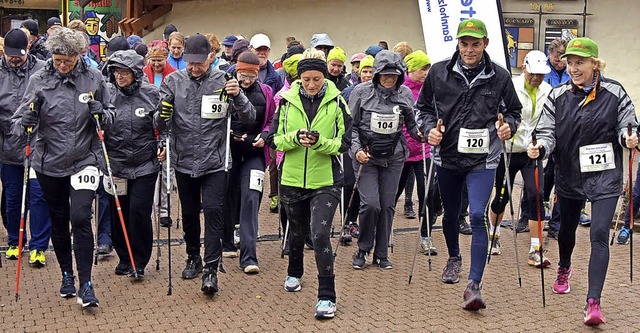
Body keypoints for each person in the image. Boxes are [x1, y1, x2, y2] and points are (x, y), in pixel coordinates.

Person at [528, 37, 637, 326]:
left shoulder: (615, 91)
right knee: (566, 230)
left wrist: (629, 137)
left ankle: (593, 302)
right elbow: (547, 131)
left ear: (595, 64)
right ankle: (564, 266)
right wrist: (542, 148)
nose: (573, 68)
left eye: (580, 63)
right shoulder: (559, 94)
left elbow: (628, 124)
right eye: (570, 63)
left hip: (605, 175)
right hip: (570, 173)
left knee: (599, 233)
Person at [417, 18, 522, 310]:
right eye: (465, 43)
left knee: (477, 215)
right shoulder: (438, 72)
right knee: (450, 214)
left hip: (483, 160)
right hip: (448, 156)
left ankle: (474, 284)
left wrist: (508, 127)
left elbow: (514, 111)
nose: (470, 49)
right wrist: (429, 131)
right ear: (458, 44)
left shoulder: (499, 76)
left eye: (475, 44)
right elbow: (422, 109)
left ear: (485, 44)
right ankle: (454, 257)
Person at [12, 27, 115, 308]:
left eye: (67, 61)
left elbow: (111, 114)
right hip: (49, 162)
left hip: (84, 159)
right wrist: (27, 120)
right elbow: (18, 124)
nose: (62, 66)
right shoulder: (40, 79)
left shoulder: (93, 77)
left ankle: (87, 283)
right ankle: (66, 274)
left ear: (78, 56)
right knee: (58, 220)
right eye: (58, 60)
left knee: (81, 216)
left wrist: (102, 114)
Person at [155, 34, 255, 294]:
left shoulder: (224, 81)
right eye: (190, 62)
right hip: (183, 159)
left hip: (215, 161)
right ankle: (193, 256)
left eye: (199, 63)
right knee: (188, 213)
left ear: (211, 57)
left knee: (213, 212)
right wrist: (162, 114)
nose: (194, 67)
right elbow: (159, 124)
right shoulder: (173, 81)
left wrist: (239, 96)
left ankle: (211, 268)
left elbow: (248, 117)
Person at [268, 57, 351, 319]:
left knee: (319, 234)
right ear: (298, 79)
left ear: (325, 77)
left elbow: (344, 142)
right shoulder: (286, 101)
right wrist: (295, 138)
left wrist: (318, 143)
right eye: (307, 80)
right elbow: (274, 139)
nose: (312, 84)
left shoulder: (338, 101)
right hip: (292, 178)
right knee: (296, 230)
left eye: (317, 79)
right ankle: (294, 271)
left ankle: (327, 296)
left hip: (325, 179)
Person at [350, 50, 423, 270]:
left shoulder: (405, 94)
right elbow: (349, 127)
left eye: (394, 75)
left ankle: (381, 253)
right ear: (376, 74)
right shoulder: (361, 92)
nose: (389, 79)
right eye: (384, 74)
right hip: (367, 157)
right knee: (371, 204)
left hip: (394, 157)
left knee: (387, 205)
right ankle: (363, 248)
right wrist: (356, 150)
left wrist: (421, 133)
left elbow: (412, 124)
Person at [487, 50, 551, 268]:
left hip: (531, 151)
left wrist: (541, 142)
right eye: (533, 73)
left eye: (541, 74)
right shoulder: (510, 86)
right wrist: (501, 126)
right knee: (501, 197)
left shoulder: (547, 91)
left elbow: (548, 123)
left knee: (537, 194)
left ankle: (536, 249)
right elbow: (495, 113)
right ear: (524, 68)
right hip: (507, 150)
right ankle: (493, 236)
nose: (537, 78)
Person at [103, 50, 161, 279]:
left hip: (145, 163)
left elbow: (163, 125)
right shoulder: (106, 94)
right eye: (116, 71)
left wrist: (163, 144)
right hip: (115, 164)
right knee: (118, 214)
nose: (119, 76)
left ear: (136, 73)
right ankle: (124, 258)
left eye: (124, 71)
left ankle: (139, 260)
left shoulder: (151, 94)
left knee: (138, 211)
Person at [0, 29, 50, 266]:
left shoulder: (42, 69)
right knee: (12, 198)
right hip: (8, 147)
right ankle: (14, 241)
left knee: (39, 197)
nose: (15, 60)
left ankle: (39, 247)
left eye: (19, 55)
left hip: (38, 146)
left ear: (28, 49)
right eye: (11, 56)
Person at [222, 51, 275, 273]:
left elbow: (272, 119)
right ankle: (226, 243)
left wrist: (264, 136)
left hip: (253, 153)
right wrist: (230, 133)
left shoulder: (266, 92)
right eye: (243, 75)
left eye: (251, 76)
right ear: (236, 70)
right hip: (228, 152)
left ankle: (249, 256)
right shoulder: (224, 90)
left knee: (251, 199)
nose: (246, 81)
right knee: (226, 195)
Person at [394, 50, 437, 254]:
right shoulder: (400, 90)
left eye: (429, 68)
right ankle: (384, 232)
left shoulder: (430, 90)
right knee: (393, 195)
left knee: (427, 194)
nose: (426, 73)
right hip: (401, 152)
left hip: (424, 150)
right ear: (410, 70)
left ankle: (426, 235)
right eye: (423, 68)